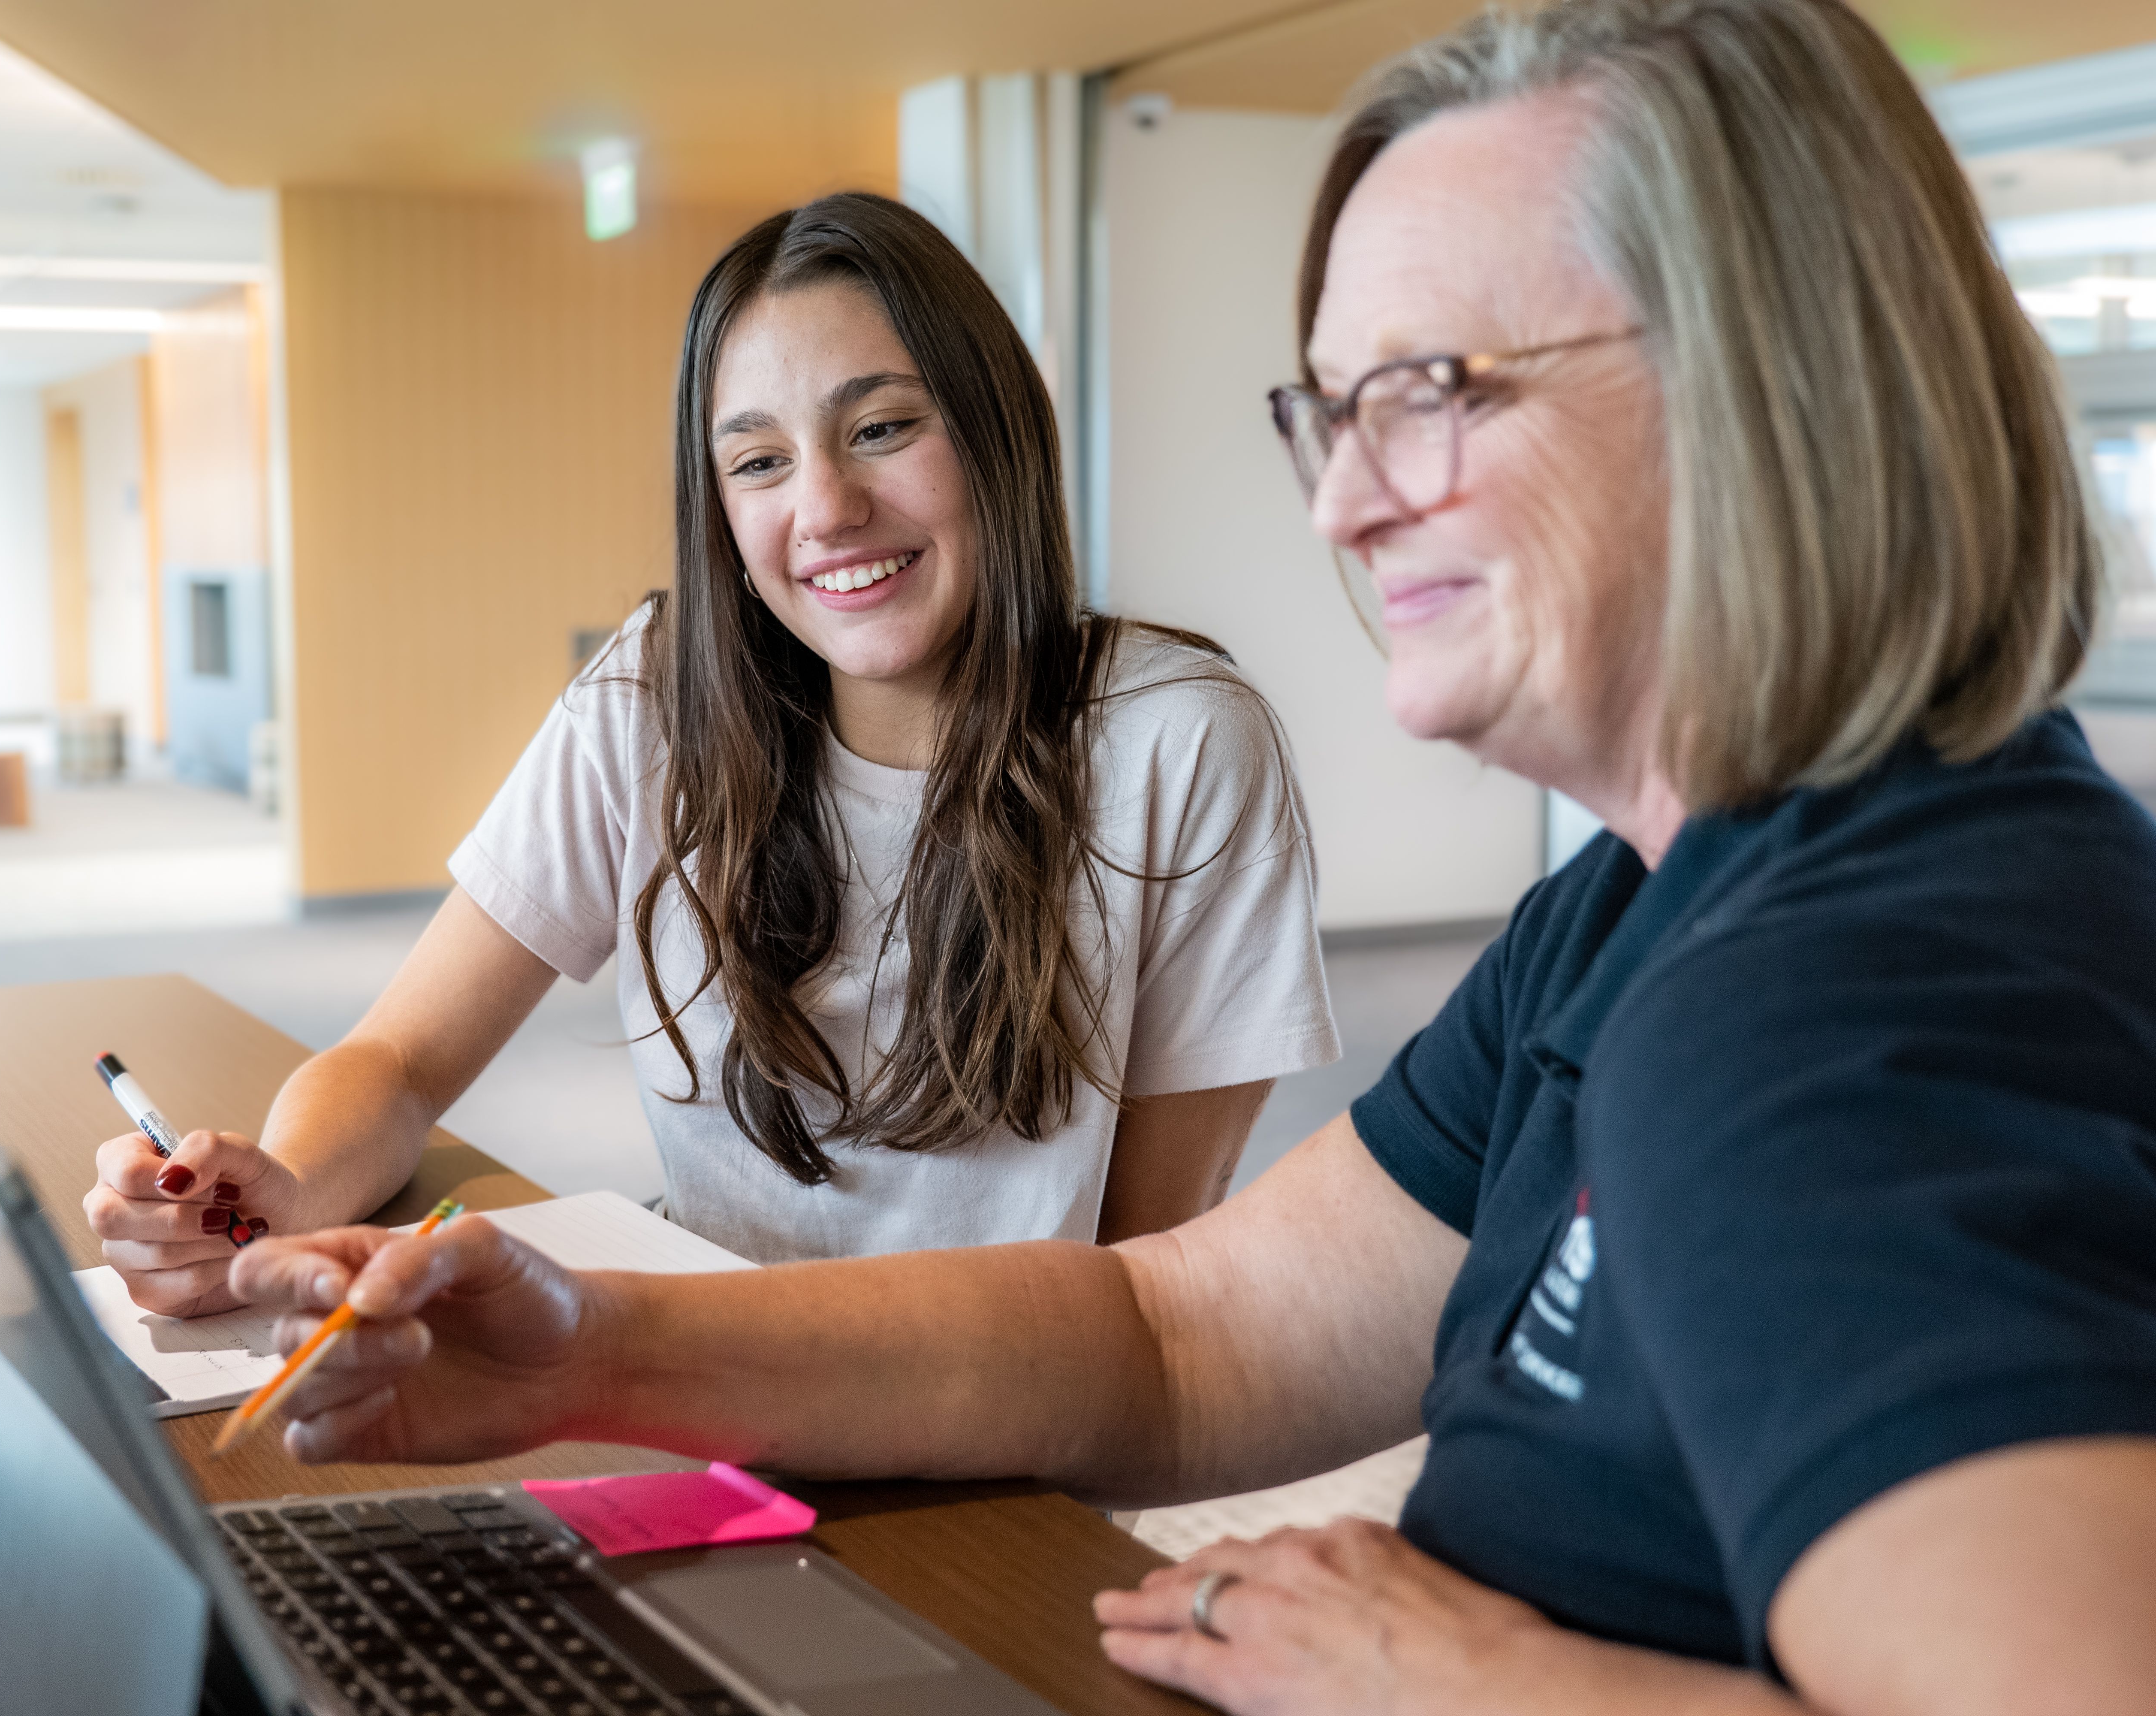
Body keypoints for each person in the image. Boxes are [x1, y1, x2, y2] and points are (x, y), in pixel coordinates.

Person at [227, 0, 2156, 1709]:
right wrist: (592, 1346)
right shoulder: (1636, 917)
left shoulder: (1867, 1000)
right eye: (1329, 405)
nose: (1340, 495)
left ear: (1771, 380)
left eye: (1432, 388)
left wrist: (1472, 1677)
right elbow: (1175, 1325)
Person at [89, 193, 1337, 1314]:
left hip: (998, 1420)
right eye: (758, 462)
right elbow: (400, 1059)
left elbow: (1148, 1288)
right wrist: (280, 1189)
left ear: (998, 429)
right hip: (689, 1381)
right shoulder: (655, 699)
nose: (827, 508)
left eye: (885, 428)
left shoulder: (1178, 741)